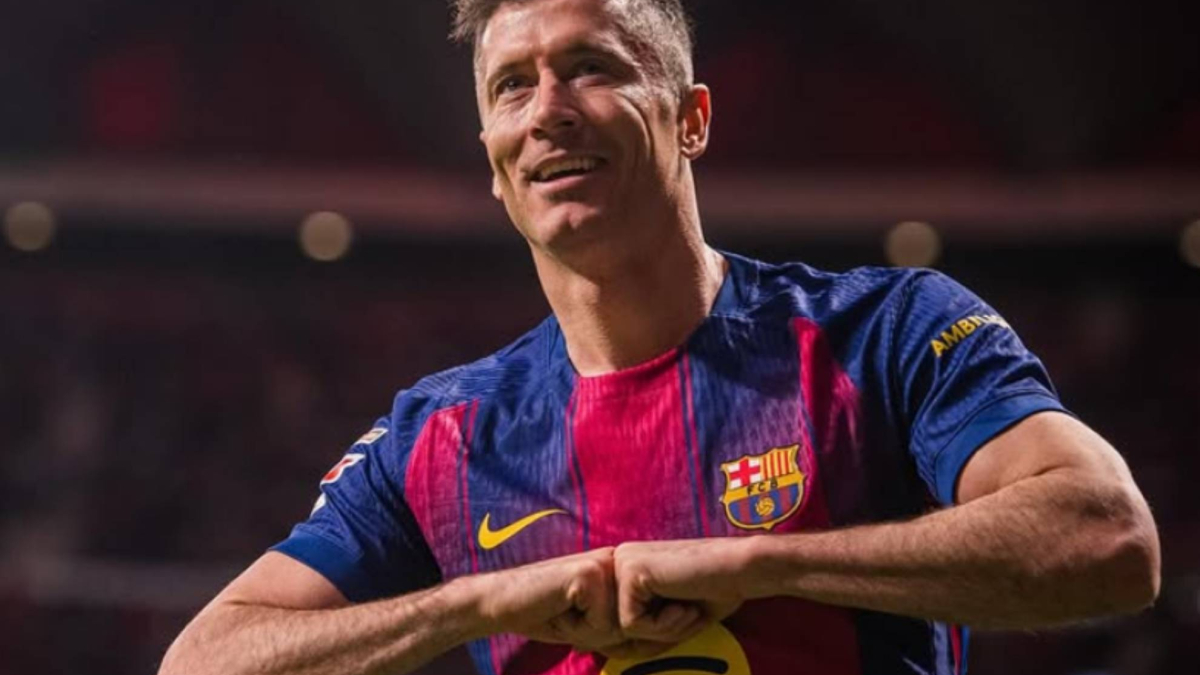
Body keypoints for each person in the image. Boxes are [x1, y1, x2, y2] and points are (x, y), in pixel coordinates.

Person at [158, 0, 1161, 673]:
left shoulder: (884, 333)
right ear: (493, 162)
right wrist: (482, 601)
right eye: (511, 86)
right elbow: (206, 660)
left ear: (691, 119)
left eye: (589, 68)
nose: (548, 112)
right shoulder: (440, 436)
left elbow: (1107, 537)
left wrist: (754, 565)